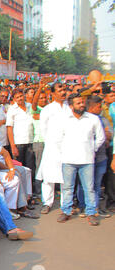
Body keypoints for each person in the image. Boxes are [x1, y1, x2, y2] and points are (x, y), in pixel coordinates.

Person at [57, 93, 105, 226]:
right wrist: (64, 152)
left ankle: (91, 213)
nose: (82, 104)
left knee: (89, 188)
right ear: (71, 106)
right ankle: (66, 211)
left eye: (82, 102)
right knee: (67, 187)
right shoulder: (64, 119)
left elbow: (100, 138)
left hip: (87, 159)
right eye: (78, 103)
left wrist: (91, 148)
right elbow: (58, 138)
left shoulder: (93, 119)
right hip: (68, 159)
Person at [36, 83, 70, 214]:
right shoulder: (48, 109)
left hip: (66, 146)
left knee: (66, 176)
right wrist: (51, 142)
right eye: (60, 90)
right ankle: (47, 202)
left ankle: (65, 204)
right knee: (48, 176)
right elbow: (43, 128)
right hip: (51, 145)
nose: (63, 92)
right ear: (53, 93)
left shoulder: (69, 108)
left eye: (64, 89)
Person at [76, 96, 112, 218]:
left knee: (96, 184)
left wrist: (104, 138)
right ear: (91, 107)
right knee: (83, 184)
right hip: (84, 158)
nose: (101, 108)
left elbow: (108, 138)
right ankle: (82, 206)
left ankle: (94, 207)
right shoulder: (82, 120)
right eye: (98, 106)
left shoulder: (103, 120)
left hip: (100, 158)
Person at [6, 89, 35, 187]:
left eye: (21, 96)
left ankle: (30, 190)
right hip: (18, 142)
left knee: (30, 167)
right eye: (17, 97)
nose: (20, 99)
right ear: (14, 99)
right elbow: (9, 128)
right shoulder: (12, 110)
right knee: (19, 167)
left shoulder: (30, 106)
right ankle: (21, 189)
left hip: (30, 141)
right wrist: (13, 146)